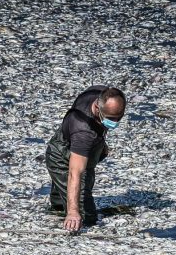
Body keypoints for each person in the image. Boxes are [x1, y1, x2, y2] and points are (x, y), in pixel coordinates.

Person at [45, 85, 126, 231]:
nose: (115, 122)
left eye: (118, 117)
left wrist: (101, 143)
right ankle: (64, 208)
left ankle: (58, 203)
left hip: (72, 138)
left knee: (60, 203)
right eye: (110, 119)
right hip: (61, 155)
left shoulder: (98, 92)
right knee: (87, 216)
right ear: (97, 107)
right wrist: (73, 212)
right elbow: (75, 173)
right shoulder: (84, 131)